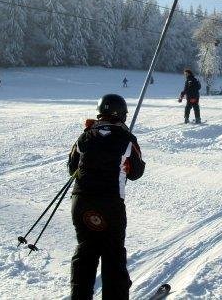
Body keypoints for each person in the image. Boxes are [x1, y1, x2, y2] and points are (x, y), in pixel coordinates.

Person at [67, 94, 145, 300]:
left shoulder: (84, 136)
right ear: (121, 115)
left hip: (81, 202)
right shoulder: (127, 138)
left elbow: (71, 168)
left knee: (85, 253)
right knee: (113, 256)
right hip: (110, 204)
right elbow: (137, 172)